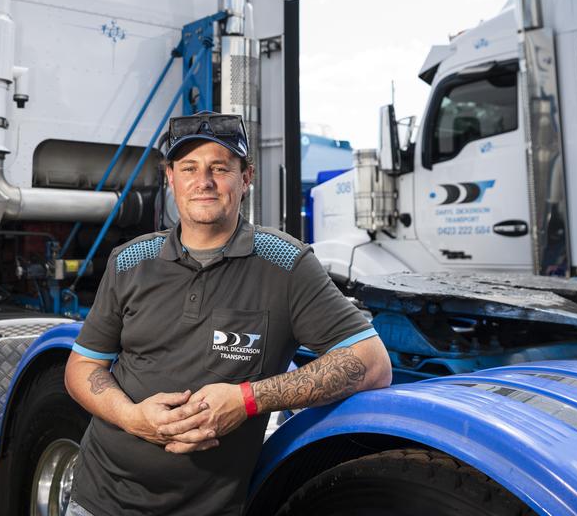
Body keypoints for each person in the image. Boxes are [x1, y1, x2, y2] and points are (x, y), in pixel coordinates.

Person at [64, 112, 392, 516]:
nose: (203, 182)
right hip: (99, 500)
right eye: (189, 168)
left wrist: (246, 399)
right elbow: (82, 366)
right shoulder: (130, 260)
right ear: (170, 177)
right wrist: (133, 418)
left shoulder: (285, 264)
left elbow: (373, 364)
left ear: (246, 177)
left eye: (220, 168)